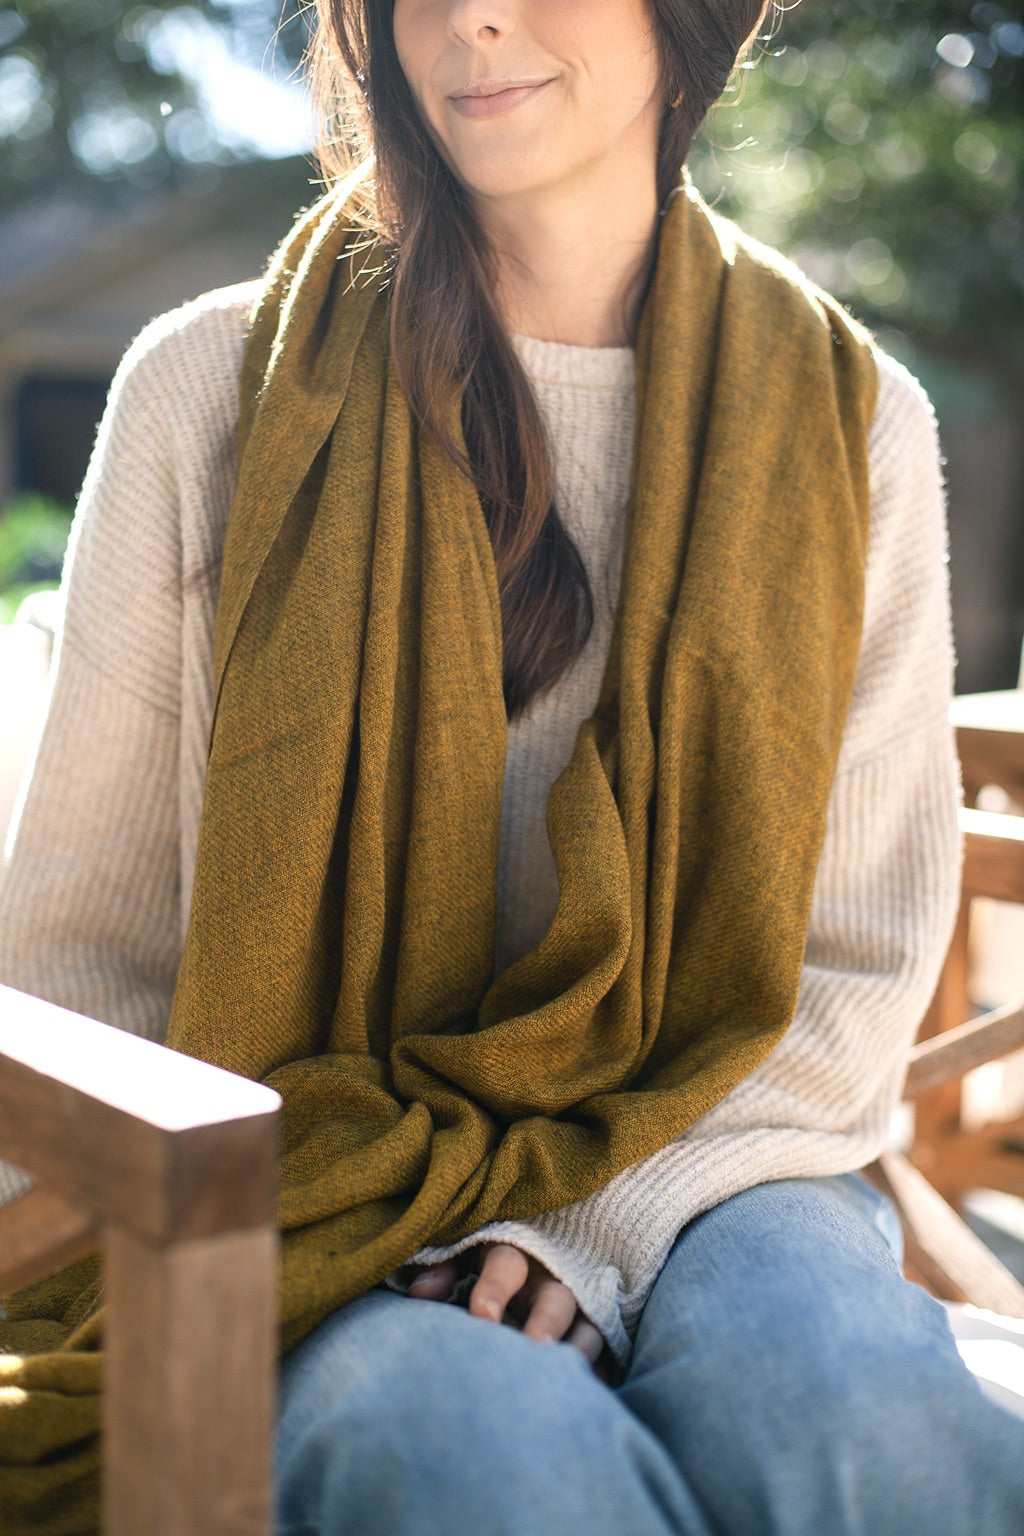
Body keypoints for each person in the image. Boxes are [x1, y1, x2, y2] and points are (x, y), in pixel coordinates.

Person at [1, 0, 1023, 1532]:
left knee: (844, 1401)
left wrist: (594, 1223)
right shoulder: (210, 390)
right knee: (463, 1449)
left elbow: (855, 962)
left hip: (719, 1153)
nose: (476, 16)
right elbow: (86, 961)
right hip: (313, 1171)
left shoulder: (848, 419)